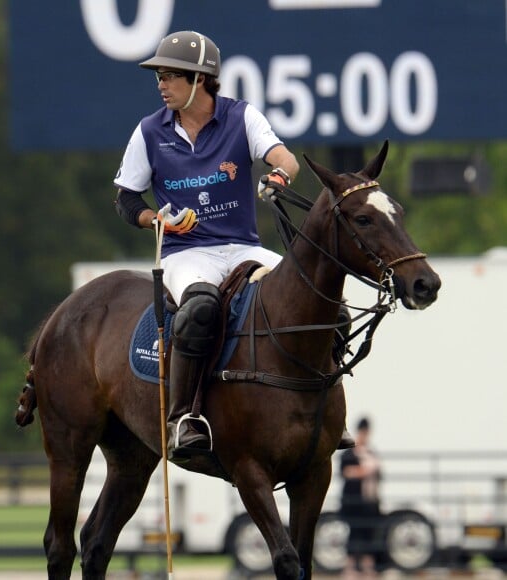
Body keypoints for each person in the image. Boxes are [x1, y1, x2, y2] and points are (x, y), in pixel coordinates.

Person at [113, 30, 353, 461]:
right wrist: (157, 220)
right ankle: (185, 417)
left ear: (200, 79)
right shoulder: (149, 131)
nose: (161, 84)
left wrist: (277, 177)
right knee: (200, 307)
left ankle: (327, 410)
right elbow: (126, 200)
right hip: (187, 255)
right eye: (159, 77)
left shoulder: (242, 117)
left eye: (169, 76)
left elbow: (285, 158)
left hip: (243, 247)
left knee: (326, 303)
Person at [339, 417, 382, 579]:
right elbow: (346, 473)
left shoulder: (371, 452)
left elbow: (378, 475)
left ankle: (367, 567)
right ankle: (349, 566)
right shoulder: (350, 453)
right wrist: (365, 470)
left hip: (369, 501)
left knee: (369, 533)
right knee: (353, 533)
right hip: (353, 502)